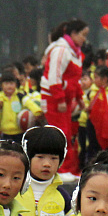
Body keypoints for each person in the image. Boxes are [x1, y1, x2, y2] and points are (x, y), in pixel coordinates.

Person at [41, 19, 89, 172]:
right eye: (83, 35)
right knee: (60, 135)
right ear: (73, 34)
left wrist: (80, 98)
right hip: (54, 100)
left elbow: (75, 80)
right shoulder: (60, 50)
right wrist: (59, 98)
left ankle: (68, 168)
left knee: (67, 135)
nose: (85, 39)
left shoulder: (76, 53)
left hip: (65, 100)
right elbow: (54, 76)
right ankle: (61, 170)